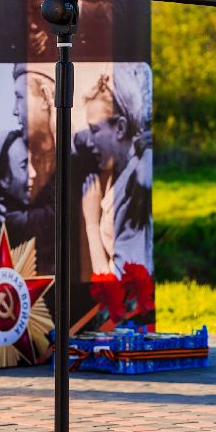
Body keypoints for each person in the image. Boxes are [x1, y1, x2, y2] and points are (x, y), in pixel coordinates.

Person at [72, 64, 152, 278]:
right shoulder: (126, 167)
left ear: (121, 128)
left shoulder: (134, 189)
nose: (89, 140)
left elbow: (116, 285)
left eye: (95, 130)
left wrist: (91, 222)